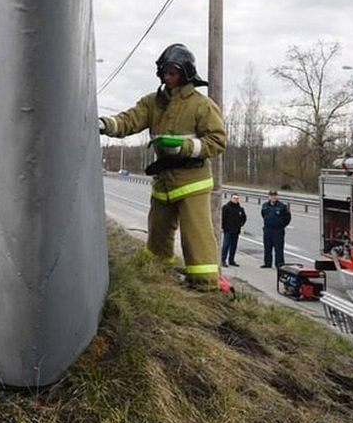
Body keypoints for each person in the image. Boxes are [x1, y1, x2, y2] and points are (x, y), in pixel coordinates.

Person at [99, 43, 226, 291]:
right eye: (164, 73)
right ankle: (157, 275)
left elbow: (217, 141)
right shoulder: (153, 103)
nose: (167, 78)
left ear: (186, 73)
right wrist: (105, 124)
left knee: (196, 238)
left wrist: (184, 148)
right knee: (157, 236)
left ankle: (206, 285)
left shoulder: (202, 106)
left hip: (192, 182)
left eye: (173, 73)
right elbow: (129, 120)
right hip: (164, 181)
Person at [260, 190, 291, 268]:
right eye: (271, 196)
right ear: (269, 197)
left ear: (277, 197)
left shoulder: (282, 206)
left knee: (278, 248)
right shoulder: (265, 206)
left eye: (274, 196)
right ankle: (267, 263)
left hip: (278, 230)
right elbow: (263, 215)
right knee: (267, 247)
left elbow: (287, 218)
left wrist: (281, 225)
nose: (273, 197)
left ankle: (279, 264)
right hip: (268, 229)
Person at [220, 193, 247, 267]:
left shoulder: (240, 209)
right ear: (231, 198)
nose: (235, 200)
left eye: (237, 198)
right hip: (228, 230)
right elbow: (222, 218)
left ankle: (231, 260)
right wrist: (223, 227)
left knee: (234, 246)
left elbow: (244, 218)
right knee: (226, 245)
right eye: (234, 198)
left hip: (236, 230)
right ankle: (223, 260)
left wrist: (241, 224)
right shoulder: (226, 207)